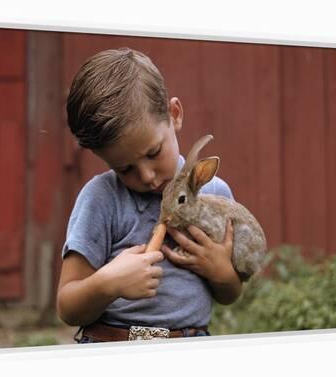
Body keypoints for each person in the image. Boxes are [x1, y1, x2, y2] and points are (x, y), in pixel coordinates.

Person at [56, 47, 241, 343]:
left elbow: (229, 294)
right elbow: (67, 306)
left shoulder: (213, 193)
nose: (146, 176)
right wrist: (108, 283)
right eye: (124, 168)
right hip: (112, 345)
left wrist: (220, 271)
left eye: (154, 153)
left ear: (174, 114)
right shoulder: (101, 198)